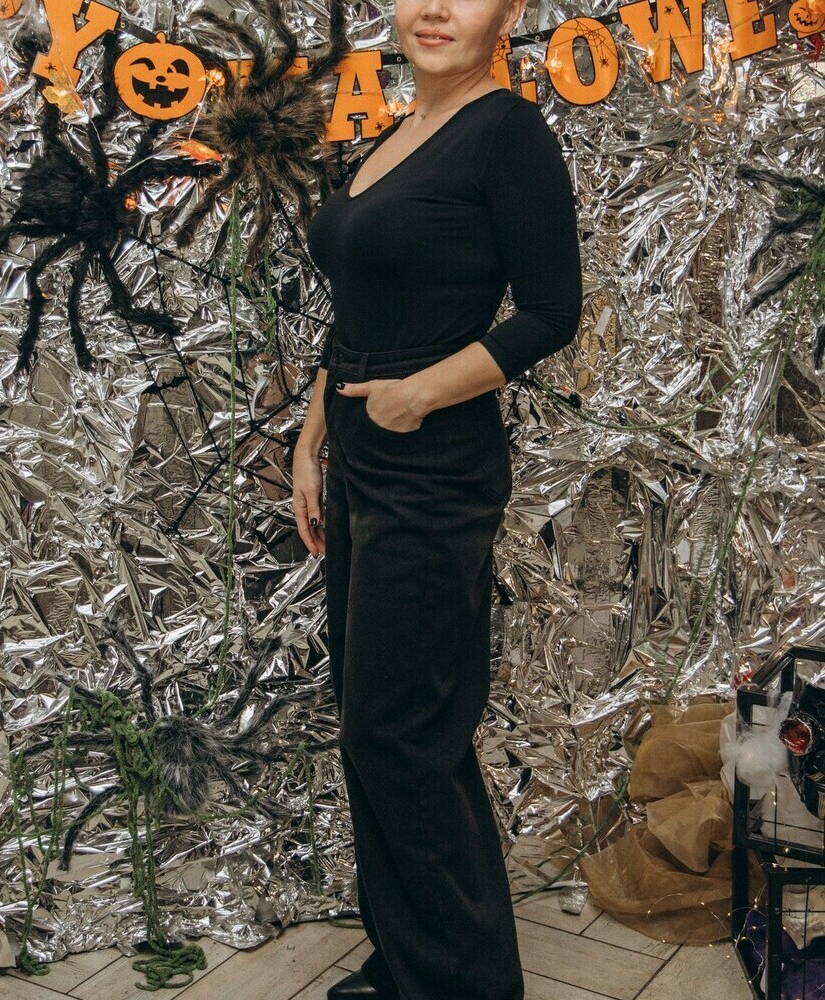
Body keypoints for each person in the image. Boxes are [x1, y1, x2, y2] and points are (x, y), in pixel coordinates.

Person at [291, 0, 583, 993]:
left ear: (512, 11)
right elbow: (360, 307)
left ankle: (464, 983)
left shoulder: (507, 133)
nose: (434, 9)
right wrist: (312, 435)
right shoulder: (398, 131)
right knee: (373, 722)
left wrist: (416, 394)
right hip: (359, 456)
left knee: (401, 733)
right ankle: (413, 958)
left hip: (433, 463)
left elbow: (551, 311)